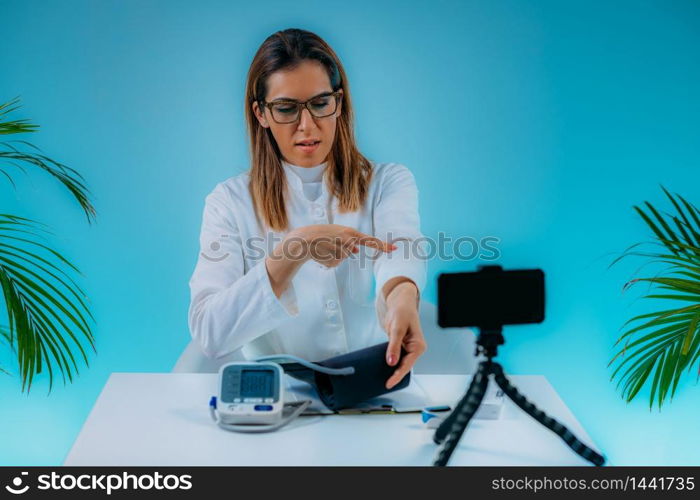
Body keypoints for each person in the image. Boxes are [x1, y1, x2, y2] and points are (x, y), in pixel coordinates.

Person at [188, 28, 427, 390]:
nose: (307, 126)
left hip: (373, 388)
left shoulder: (387, 182)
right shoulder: (228, 203)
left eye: (319, 104)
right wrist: (293, 249)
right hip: (278, 395)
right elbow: (209, 332)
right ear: (261, 114)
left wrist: (403, 296)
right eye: (286, 109)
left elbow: (401, 247)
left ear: (339, 103)